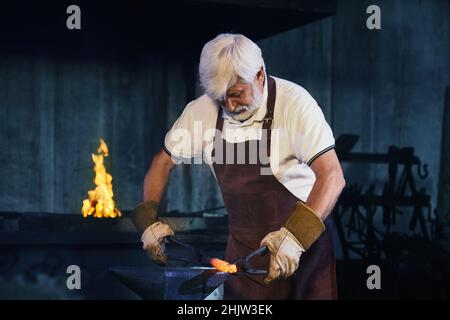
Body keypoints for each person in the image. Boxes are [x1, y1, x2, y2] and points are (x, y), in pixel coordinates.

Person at [131, 33, 345, 299]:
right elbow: (162, 162)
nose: (229, 106)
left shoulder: (295, 104)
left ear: (259, 74)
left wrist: (296, 238)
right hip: (243, 257)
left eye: (236, 94)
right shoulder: (202, 111)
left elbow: (332, 176)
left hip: (301, 251)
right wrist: (148, 220)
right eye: (221, 99)